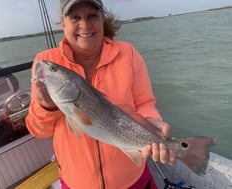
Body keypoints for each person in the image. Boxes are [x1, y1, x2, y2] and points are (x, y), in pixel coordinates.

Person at [26, 0, 176, 188]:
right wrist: (46, 105)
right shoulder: (45, 61)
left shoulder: (127, 53)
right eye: (75, 18)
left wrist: (154, 122)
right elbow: (37, 130)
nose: (85, 25)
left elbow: (145, 103)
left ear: (102, 18)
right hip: (77, 183)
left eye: (92, 16)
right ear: (63, 22)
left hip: (134, 180)